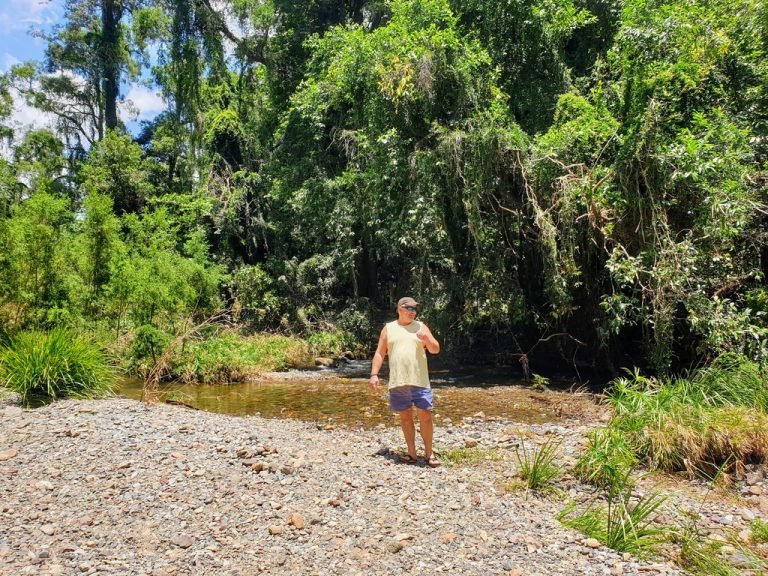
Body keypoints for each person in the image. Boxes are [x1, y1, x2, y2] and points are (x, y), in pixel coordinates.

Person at [369, 296, 441, 467]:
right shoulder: (388, 328)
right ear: (400, 309)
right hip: (398, 381)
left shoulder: (421, 327)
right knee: (406, 417)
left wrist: (427, 339)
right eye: (409, 308)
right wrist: (374, 374)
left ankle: (429, 454)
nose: (413, 312)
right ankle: (411, 453)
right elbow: (380, 353)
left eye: (415, 309)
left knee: (425, 416)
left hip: (420, 380)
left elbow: (435, 349)